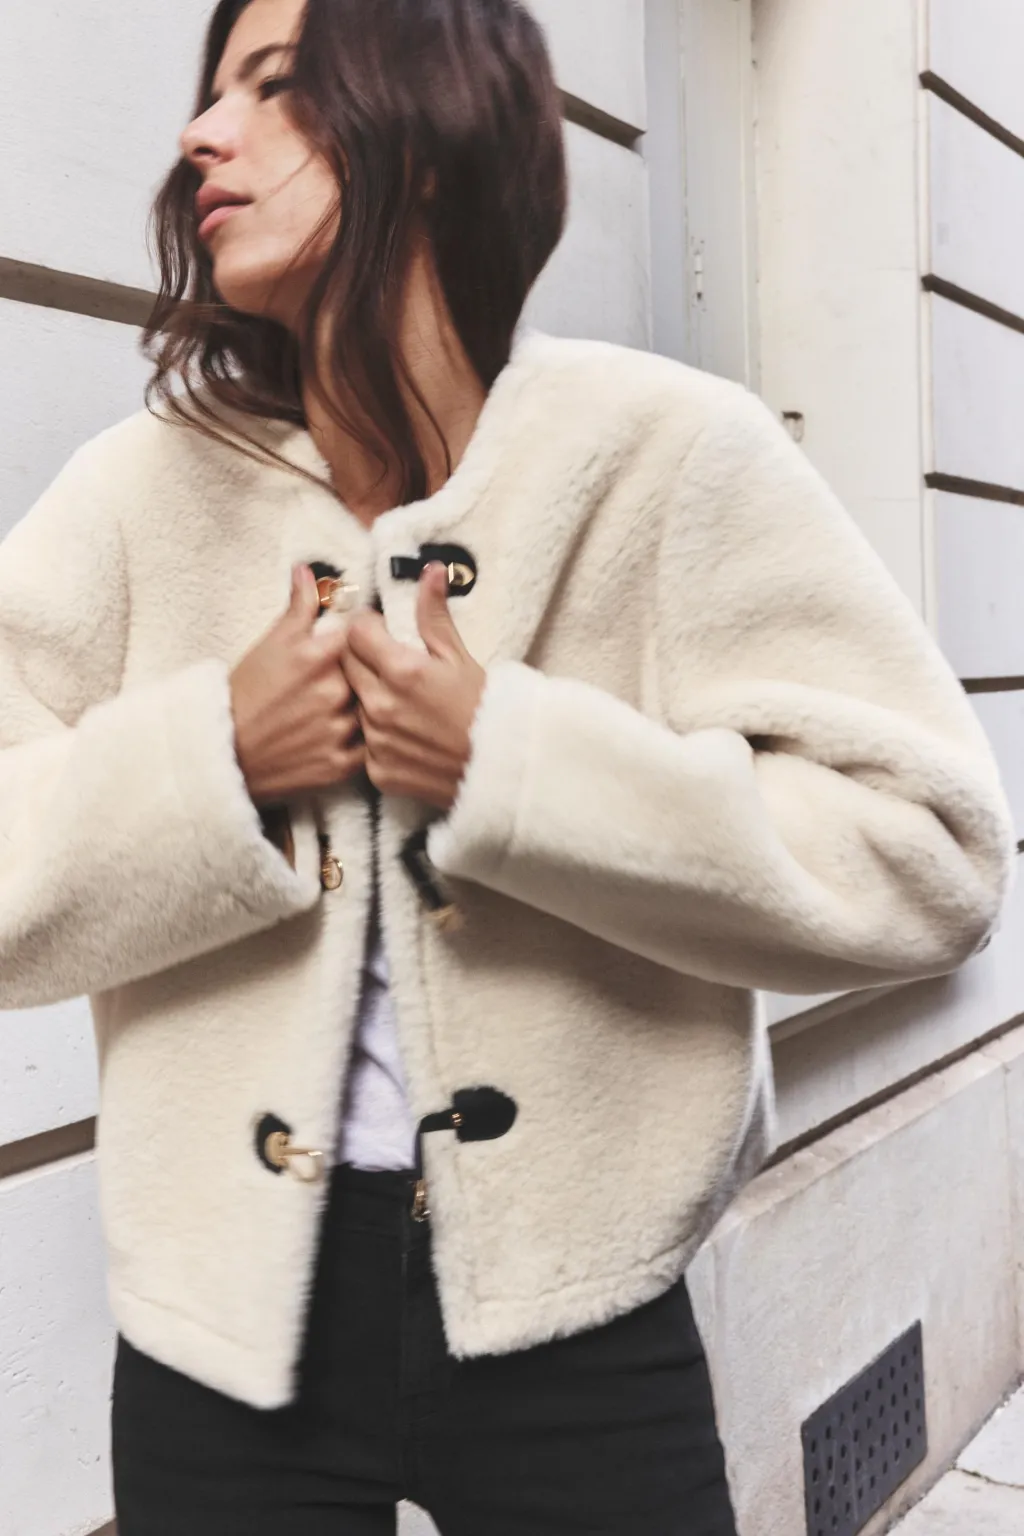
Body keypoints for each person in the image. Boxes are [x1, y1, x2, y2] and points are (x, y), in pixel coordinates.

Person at [0, 0, 1012, 1531]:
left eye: (273, 86)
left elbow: (930, 851)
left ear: (428, 126)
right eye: (210, 95)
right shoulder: (141, 495)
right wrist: (221, 759)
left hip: (582, 1323)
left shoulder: (667, 456)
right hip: (219, 1342)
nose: (201, 134)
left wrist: (514, 767)